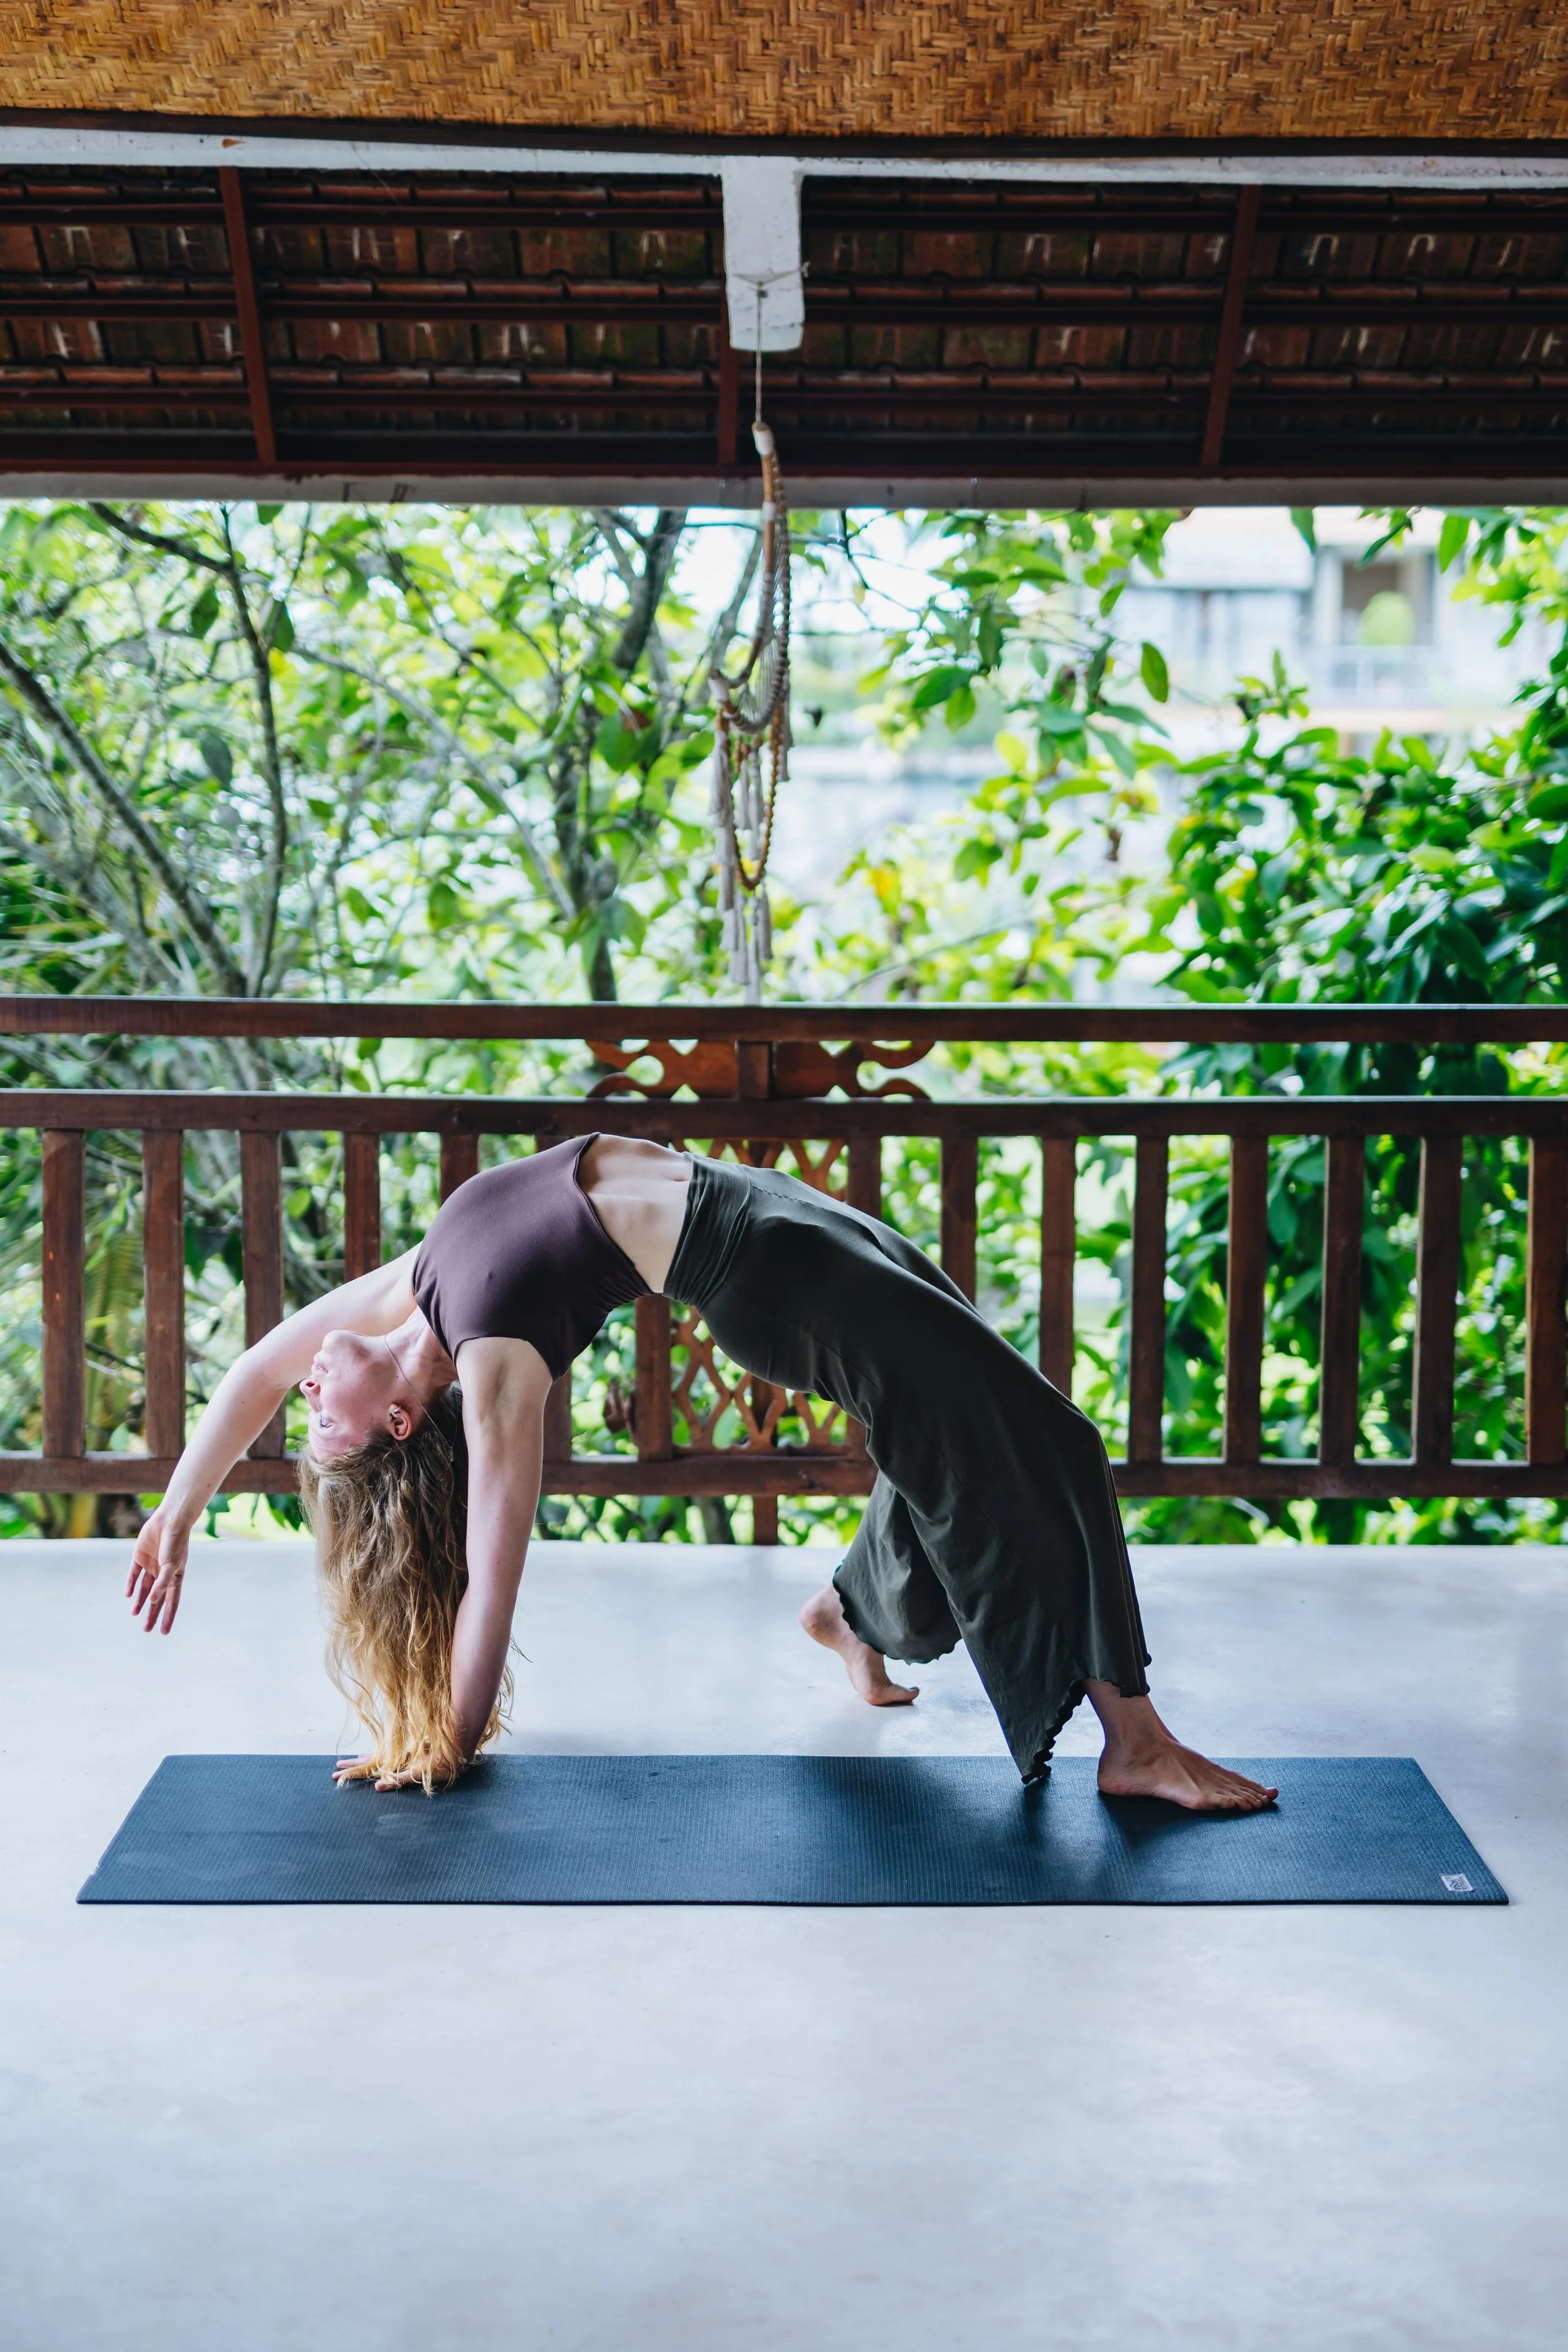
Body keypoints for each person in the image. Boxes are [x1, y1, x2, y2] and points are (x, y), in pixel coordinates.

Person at [127, 1134, 1278, 1813]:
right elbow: (491, 1575)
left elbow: (255, 1374)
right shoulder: (493, 1366)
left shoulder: (415, 1287)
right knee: (1042, 1434)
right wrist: (449, 1732)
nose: (305, 1398)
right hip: (766, 1272)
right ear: (390, 1425)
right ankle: (1134, 1743)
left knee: (982, 1418)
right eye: (320, 1425)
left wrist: (179, 1513)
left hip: (765, 1204)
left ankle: (849, 1609)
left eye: (306, 1416)